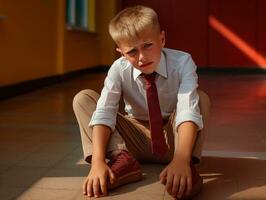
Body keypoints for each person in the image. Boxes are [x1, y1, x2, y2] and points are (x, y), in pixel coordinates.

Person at [73, 5, 211, 199]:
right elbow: (105, 111)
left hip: (174, 139)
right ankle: (121, 160)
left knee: (201, 99)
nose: (141, 58)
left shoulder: (182, 62)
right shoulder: (118, 69)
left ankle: (184, 166)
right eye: (131, 52)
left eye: (148, 45)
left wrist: (181, 159)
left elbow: (187, 110)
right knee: (83, 99)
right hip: (133, 139)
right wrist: (97, 163)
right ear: (121, 52)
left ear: (162, 39)